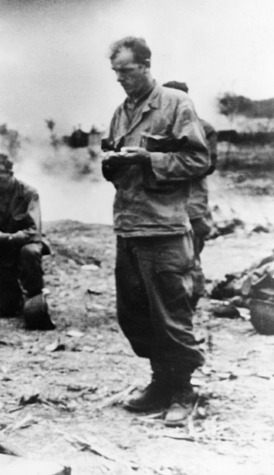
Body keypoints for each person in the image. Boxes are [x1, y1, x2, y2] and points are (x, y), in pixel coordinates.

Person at [102, 37, 210, 427]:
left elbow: (198, 159)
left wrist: (149, 158)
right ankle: (160, 383)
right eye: (115, 72)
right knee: (134, 315)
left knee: (170, 315)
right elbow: (116, 166)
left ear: (146, 66)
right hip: (129, 226)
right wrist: (113, 163)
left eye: (126, 71)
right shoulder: (121, 112)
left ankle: (183, 389)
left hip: (163, 228)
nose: (120, 79)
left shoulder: (175, 105)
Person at [0, 153, 54, 330]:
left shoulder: (28, 193)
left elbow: (33, 231)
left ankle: (34, 294)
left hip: (26, 243)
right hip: (3, 249)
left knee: (29, 253)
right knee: (7, 310)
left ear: (11, 173)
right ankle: (16, 299)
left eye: (0, 178)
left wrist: (7, 237)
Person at [162, 81, 218, 309]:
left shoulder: (204, 129)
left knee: (191, 254)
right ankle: (172, 302)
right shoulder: (158, 129)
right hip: (164, 205)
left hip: (191, 202)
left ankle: (190, 300)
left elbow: (209, 164)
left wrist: (173, 162)